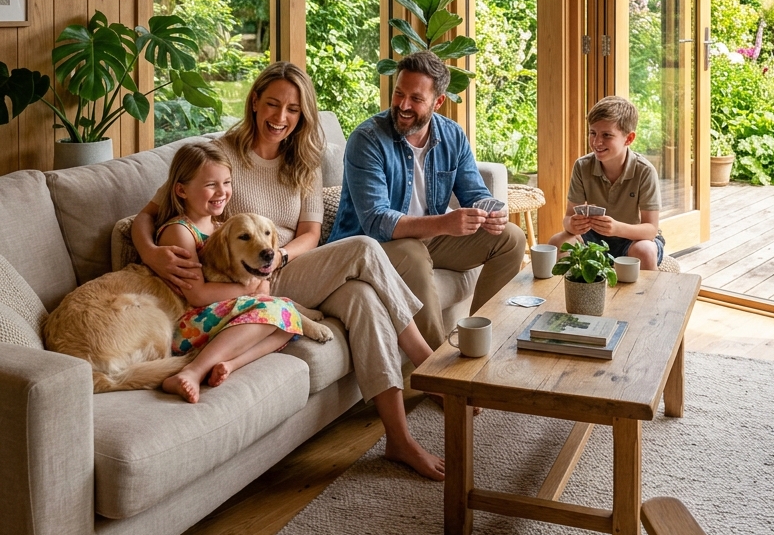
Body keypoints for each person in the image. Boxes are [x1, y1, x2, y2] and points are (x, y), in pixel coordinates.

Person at [132, 62, 444, 480]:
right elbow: (148, 214)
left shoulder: (305, 160)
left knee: (363, 296)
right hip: (246, 278)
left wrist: (280, 258)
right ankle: (425, 371)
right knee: (365, 256)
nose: (280, 118)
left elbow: (311, 233)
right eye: (273, 104)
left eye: (293, 109)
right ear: (255, 101)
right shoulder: (221, 154)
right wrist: (151, 253)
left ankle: (400, 435)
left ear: (303, 114)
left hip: (287, 265)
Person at [328, 51, 526, 350]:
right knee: (412, 253)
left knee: (510, 238)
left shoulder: (452, 136)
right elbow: (376, 221)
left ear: (438, 102)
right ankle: (438, 370)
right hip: (370, 245)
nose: (403, 105)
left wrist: (492, 210)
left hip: (429, 237)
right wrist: (444, 223)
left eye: (416, 99)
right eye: (398, 94)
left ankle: (480, 341)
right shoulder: (367, 140)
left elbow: (474, 192)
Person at [155, 141, 306, 403]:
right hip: (186, 323)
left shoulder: (219, 228)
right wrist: (252, 288)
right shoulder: (179, 231)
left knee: (289, 323)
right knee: (277, 310)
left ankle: (230, 364)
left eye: (226, 182)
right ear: (181, 190)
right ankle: (192, 371)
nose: (222, 192)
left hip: (210, 317)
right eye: (210, 184)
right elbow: (197, 295)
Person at [548, 95, 665, 271]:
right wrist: (573, 224)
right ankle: (567, 296)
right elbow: (568, 218)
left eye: (606, 135)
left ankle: (650, 297)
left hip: (633, 239)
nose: (596, 142)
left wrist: (617, 228)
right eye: (592, 133)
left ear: (629, 139)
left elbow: (650, 230)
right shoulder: (582, 166)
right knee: (558, 242)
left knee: (645, 250)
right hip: (593, 239)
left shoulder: (644, 171)